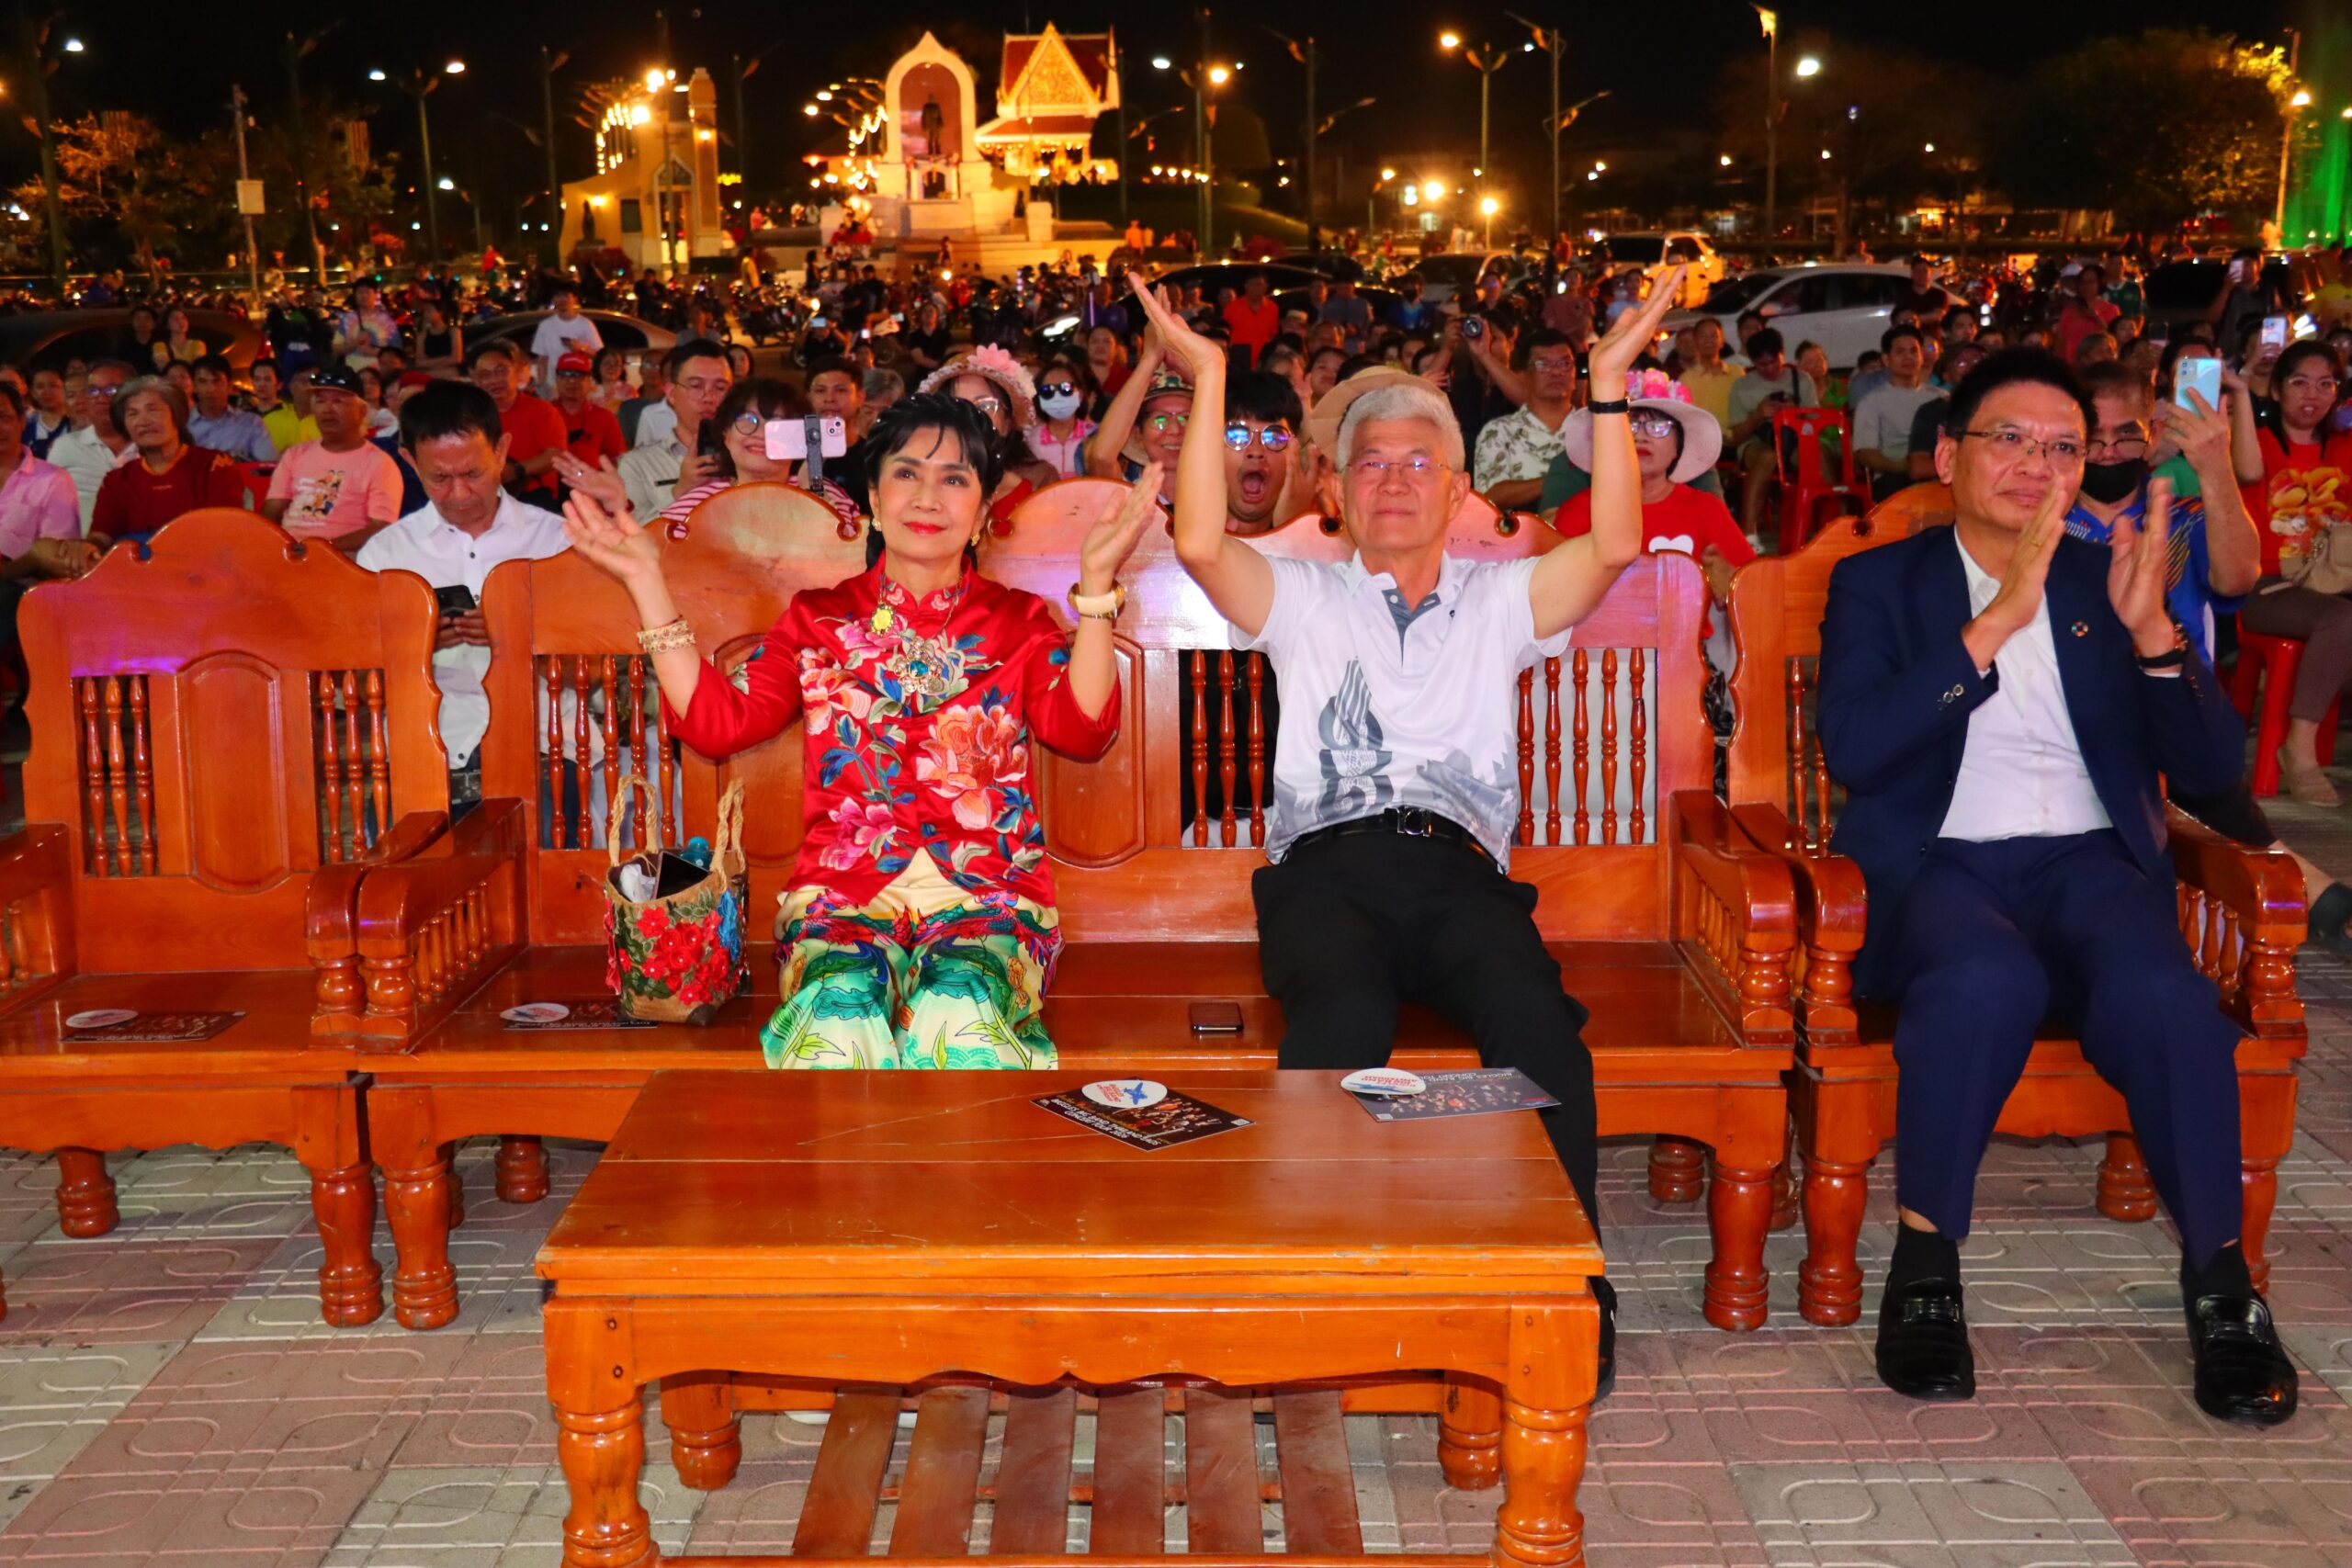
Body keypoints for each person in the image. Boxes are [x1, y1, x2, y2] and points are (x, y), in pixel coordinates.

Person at [1131, 264, 1691, 1401]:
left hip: (1458, 875)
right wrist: (1207, 372)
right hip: (1325, 873)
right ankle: (1322, 1273)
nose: (1394, 480)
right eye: (1371, 464)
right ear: (1335, 493)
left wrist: (1607, 384)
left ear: (1456, 492)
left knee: (1537, 1026)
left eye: (1418, 463)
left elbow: (1612, 547)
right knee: (1341, 1018)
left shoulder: (1502, 601)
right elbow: (1198, 545)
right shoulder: (1303, 595)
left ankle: (1567, 1279)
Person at [1815, 347, 2296, 1426]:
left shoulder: (2108, 581)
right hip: (1939, 864)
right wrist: (1993, 621)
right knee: (1981, 980)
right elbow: (1857, 748)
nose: (2037, 466)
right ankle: (1926, 1268)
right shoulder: (1879, 583)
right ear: (1949, 456)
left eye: (2063, 449)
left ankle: (2223, 1291)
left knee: (2168, 999)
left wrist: (2154, 635)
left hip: (2089, 865)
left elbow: (2211, 776)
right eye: (2011, 440)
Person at [556, 393, 1157, 1069]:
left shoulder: (1018, 620)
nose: (927, 497)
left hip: (989, 897)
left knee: (958, 1012)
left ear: (983, 511)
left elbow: (1082, 732)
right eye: (907, 473)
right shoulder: (818, 619)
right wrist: (646, 581)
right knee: (839, 1020)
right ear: (872, 496)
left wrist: (1096, 587)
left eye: (954, 479)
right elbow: (718, 725)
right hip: (843, 898)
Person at [356, 382, 572, 807]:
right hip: (428, 744)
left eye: (473, 474)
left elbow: (596, 669)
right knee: (404, 844)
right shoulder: (386, 555)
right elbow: (361, 683)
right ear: (409, 461)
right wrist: (415, 647)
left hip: (542, 742)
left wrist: (516, 634)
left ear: (502, 450)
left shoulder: (556, 541)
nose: (459, 494)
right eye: (439, 478)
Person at [1557, 370, 1753, 680]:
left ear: (1678, 448)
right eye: (1630, 424)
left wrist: (1731, 582)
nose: (1641, 436)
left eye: (1659, 427)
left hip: (1684, 664)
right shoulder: (1580, 509)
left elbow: (1757, 588)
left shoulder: (1704, 508)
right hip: (1596, 666)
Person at [2233, 340, 2352, 801]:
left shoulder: (2343, 446)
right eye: (2300, 382)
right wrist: (2241, 391)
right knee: (2341, 621)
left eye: (2326, 384)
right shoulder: (2259, 442)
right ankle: (2298, 750)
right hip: (2268, 588)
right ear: (2278, 390)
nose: (2313, 395)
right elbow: (2246, 473)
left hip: (2332, 583)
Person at [0, 382, 99, 660]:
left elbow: (54, 558)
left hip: (21, 592)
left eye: (3, 417)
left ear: (22, 421)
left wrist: (19, 565)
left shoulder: (51, 480)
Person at [262, 365, 405, 549]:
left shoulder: (379, 463)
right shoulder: (295, 454)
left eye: (338, 401)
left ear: (361, 411)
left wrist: (322, 550)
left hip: (344, 557)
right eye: (320, 401)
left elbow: (382, 529)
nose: (327, 410)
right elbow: (272, 509)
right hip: (290, 553)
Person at [90, 377, 243, 547]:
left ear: (176, 416)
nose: (143, 421)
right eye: (133, 414)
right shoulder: (116, 481)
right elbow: (100, 537)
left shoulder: (214, 466)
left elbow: (226, 531)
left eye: (153, 410)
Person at [919, 347, 1058, 525]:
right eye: (958, 405)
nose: (971, 415)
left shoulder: (1038, 481)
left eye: (985, 405)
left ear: (1008, 424)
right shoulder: (920, 484)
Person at [618, 340, 732, 522]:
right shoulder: (637, 464)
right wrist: (681, 490)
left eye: (720, 388)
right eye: (696, 386)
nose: (709, 398)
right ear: (671, 393)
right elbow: (633, 533)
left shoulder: (744, 457)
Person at [1724, 328, 1820, 537]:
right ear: (1752, 362)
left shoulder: (1801, 380)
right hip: (1756, 443)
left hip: (1794, 441)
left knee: (1817, 457)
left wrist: (1795, 413)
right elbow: (1737, 436)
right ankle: (1749, 532)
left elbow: (1816, 425)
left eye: (1774, 362)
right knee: (1767, 457)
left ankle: (1822, 526)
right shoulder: (1742, 386)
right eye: (1762, 365)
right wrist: (1758, 415)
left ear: (1782, 353)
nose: (1769, 369)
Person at [1471, 329, 1578, 512]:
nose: (1556, 372)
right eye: (1542, 365)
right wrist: (1559, 480)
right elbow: (1488, 498)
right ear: (1524, 375)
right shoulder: (1499, 431)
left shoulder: (1594, 427)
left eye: (1564, 364)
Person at [467, 339, 570, 507]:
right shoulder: (468, 416)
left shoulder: (542, 410)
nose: (494, 380)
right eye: (485, 375)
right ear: (475, 380)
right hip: (485, 498)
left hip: (535, 497)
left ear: (516, 371)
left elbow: (555, 456)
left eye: (501, 371)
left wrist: (515, 471)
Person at [1852, 326, 1939, 502]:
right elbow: (1864, 452)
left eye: (1913, 351)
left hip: (1937, 472)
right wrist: (1902, 466)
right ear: (1886, 359)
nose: (1908, 357)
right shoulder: (1871, 402)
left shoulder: (1940, 397)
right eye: (1900, 352)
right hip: (1894, 477)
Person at [50, 361, 135, 534]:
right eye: (93, 391)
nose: (101, 399)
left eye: (112, 391)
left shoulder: (151, 446)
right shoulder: (65, 447)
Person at [1221, 370, 1307, 536]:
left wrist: (1293, 531)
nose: (1256, 451)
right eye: (1238, 436)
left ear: (1295, 451)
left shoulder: (1323, 542)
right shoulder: (1177, 536)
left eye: (1273, 438)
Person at [186, 355, 277, 463]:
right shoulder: (183, 425)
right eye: (203, 381)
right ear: (194, 387)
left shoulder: (251, 423)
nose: (210, 389)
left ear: (229, 386)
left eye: (217, 381)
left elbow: (269, 465)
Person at [551, 353, 626, 473]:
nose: (572, 381)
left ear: (590, 380)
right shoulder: (544, 414)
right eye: (565, 375)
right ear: (556, 379)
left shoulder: (605, 417)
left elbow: (616, 459)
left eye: (579, 375)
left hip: (593, 481)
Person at [1028, 362, 1098, 480]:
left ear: (1080, 395)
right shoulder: (1030, 441)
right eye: (1047, 391)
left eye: (1066, 388)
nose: (1057, 397)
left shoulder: (1095, 435)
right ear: (1039, 398)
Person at [1674, 316, 1744, 430]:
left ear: (1722, 341)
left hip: (1738, 436)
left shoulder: (1737, 372)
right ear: (1695, 342)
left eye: (1714, 336)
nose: (1709, 340)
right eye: (1703, 336)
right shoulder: (1686, 379)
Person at [531, 287, 603, 392]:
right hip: (554, 386)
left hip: (581, 386)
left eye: (566, 296)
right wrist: (544, 387)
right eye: (558, 296)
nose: (562, 300)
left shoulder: (586, 325)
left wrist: (581, 349)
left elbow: (599, 357)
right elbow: (542, 360)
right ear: (553, 299)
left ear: (575, 299)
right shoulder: (545, 326)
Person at [1224, 272, 1281, 369]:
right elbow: (1225, 332)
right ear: (1245, 286)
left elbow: (1272, 334)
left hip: (1262, 359)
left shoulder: (1273, 308)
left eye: (1259, 284)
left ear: (1266, 287)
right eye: (1252, 284)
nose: (1255, 288)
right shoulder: (1232, 307)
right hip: (1238, 358)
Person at [24, 367, 71, 460]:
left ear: (65, 388)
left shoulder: (77, 422)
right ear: (33, 392)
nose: (47, 391)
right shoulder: (26, 426)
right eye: (40, 387)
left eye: (53, 386)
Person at [410, 299, 465, 373]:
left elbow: (456, 358)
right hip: (431, 373)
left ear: (440, 312)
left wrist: (429, 363)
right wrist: (446, 359)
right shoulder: (422, 336)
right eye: (424, 312)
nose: (426, 315)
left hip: (450, 372)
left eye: (429, 311)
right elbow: (419, 362)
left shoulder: (453, 332)